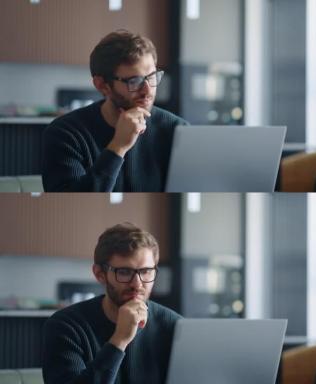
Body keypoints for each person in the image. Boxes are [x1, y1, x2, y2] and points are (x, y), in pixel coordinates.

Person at [42, 30, 188, 192]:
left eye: (152, 76)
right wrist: (118, 147)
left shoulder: (177, 130)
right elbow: (71, 205)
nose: (147, 90)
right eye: (134, 81)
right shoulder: (65, 134)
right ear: (102, 85)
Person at [42, 223, 181, 384]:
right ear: (100, 274)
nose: (137, 284)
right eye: (124, 272)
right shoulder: (65, 326)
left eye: (145, 271)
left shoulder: (175, 327)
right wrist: (119, 340)